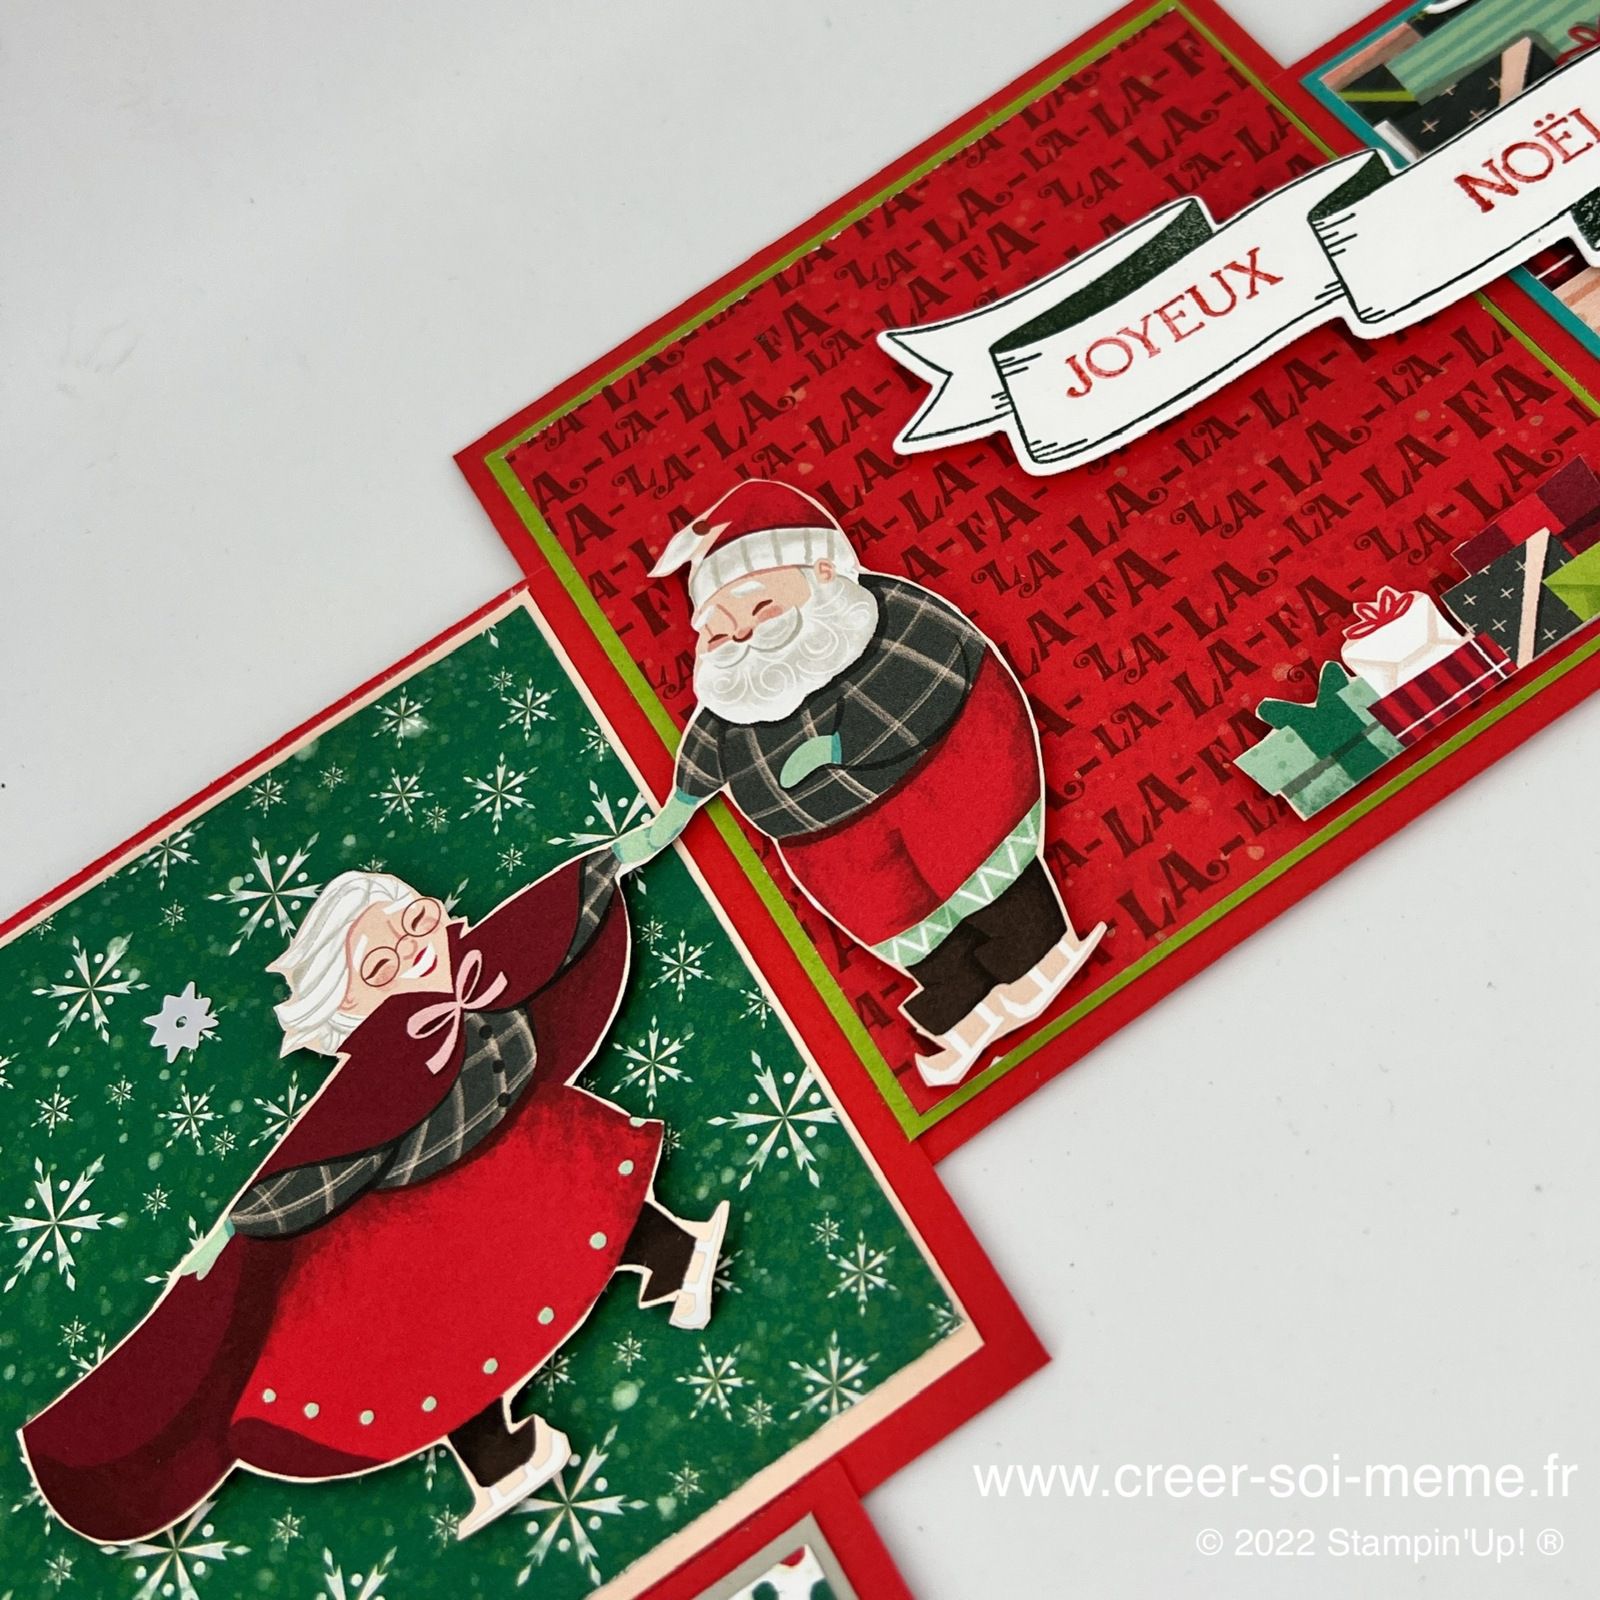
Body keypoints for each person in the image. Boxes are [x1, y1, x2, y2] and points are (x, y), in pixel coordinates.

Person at [21, 851, 728, 1543]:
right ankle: (505, 1457)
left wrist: (651, 835)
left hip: (523, 1155)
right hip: (435, 1219)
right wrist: (227, 1237)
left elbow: (559, 920)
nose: (414, 953)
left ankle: (679, 1257)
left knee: (583, 1206)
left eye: (414, 923)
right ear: (347, 1011)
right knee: (436, 1346)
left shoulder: (490, 970)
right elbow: (319, 1164)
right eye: (380, 968)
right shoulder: (376, 1079)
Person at [616, 479, 1104, 1087]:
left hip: (941, 779)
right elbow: (701, 759)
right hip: (834, 848)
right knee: (911, 929)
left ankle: (1038, 961)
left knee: (990, 885)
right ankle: (968, 1016)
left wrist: (839, 748)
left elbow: (939, 670)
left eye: (761, 609)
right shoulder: (730, 702)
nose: (742, 638)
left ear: (822, 571)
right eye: (717, 633)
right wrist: (673, 815)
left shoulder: (886, 614)